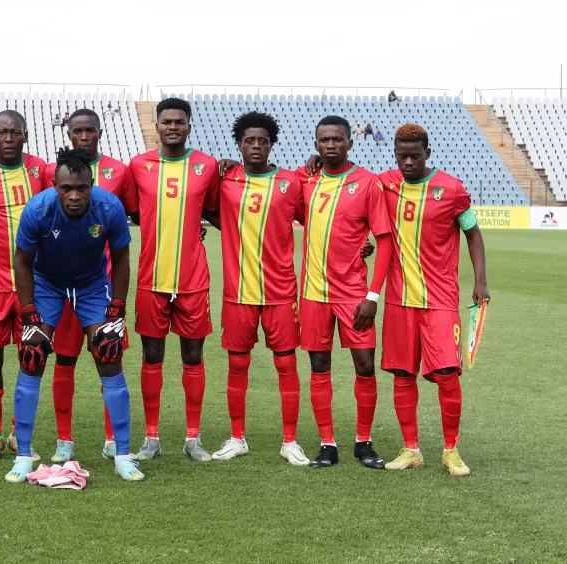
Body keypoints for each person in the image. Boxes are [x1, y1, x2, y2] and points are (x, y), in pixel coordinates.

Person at [6, 147, 143, 483]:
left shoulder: (109, 206)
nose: (74, 195)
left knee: (109, 351)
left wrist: (119, 306)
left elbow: (122, 260)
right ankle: (24, 455)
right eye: (66, 188)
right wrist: (29, 313)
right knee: (32, 353)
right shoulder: (37, 210)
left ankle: (123, 454)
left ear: (91, 184)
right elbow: (22, 262)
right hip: (47, 284)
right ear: (55, 186)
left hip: (92, 285)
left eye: (81, 188)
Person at [377, 123, 489, 477]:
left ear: (428, 153)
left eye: (414, 155)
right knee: (402, 373)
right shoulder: (384, 184)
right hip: (399, 300)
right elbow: (343, 177)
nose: (407, 162)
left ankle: (451, 450)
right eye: (401, 156)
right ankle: (411, 448)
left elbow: (472, 232)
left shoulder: (452, 189)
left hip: (440, 300)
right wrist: (314, 162)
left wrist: (480, 281)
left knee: (446, 374)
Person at [205, 112, 308, 465]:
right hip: (238, 292)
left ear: (271, 144)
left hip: (280, 292)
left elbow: (319, 219)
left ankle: (290, 441)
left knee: (286, 365)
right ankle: (237, 438)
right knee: (237, 365)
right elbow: (203, 208)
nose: (255, 146)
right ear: (239, 144)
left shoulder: (290, 182)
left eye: (262, 141)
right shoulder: (226, 178)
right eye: (249, 141)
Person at [296, 115, 394, 469]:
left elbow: (384, 241)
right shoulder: (306, 180)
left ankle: (363, 443)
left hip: (354, 293)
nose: (331, 144)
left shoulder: (367, 183)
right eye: (324, 140)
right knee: (318, 366)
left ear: (350, 142)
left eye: (337, 138)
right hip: (313, 292)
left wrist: (373, 295)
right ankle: (327, 444)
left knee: (365, 367)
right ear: (316, 145)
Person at [125, 97, 219, 462]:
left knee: (193, 356)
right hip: (152, 278)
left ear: (189, 127)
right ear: (158, 126)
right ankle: (151, 438)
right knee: (152, 355)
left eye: (179, 121)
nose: (173, 126)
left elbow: (210, 208)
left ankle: (193, 438)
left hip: (194, 279)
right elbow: (135, 210)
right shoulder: (139, 165)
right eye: (166, 121)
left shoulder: (206, 166)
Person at [41, 108, 135, 462]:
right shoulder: (54, 173)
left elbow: (135, 215)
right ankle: (64, 439)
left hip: (102, 285)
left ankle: (113, 437)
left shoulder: (119, 172)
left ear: (99, 132)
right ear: (68, 134)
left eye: (89, 130)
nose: (83, 136)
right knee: (63, 360)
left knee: (108, 356)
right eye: (77, 130)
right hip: (62, 285)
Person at [0, 109, 48, 462]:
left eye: (15, 132)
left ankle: (20, 430)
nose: (9, 138)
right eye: (2, 132)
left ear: (25, 135)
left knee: (31, 357)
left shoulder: (40, 170)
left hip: (33, 284)